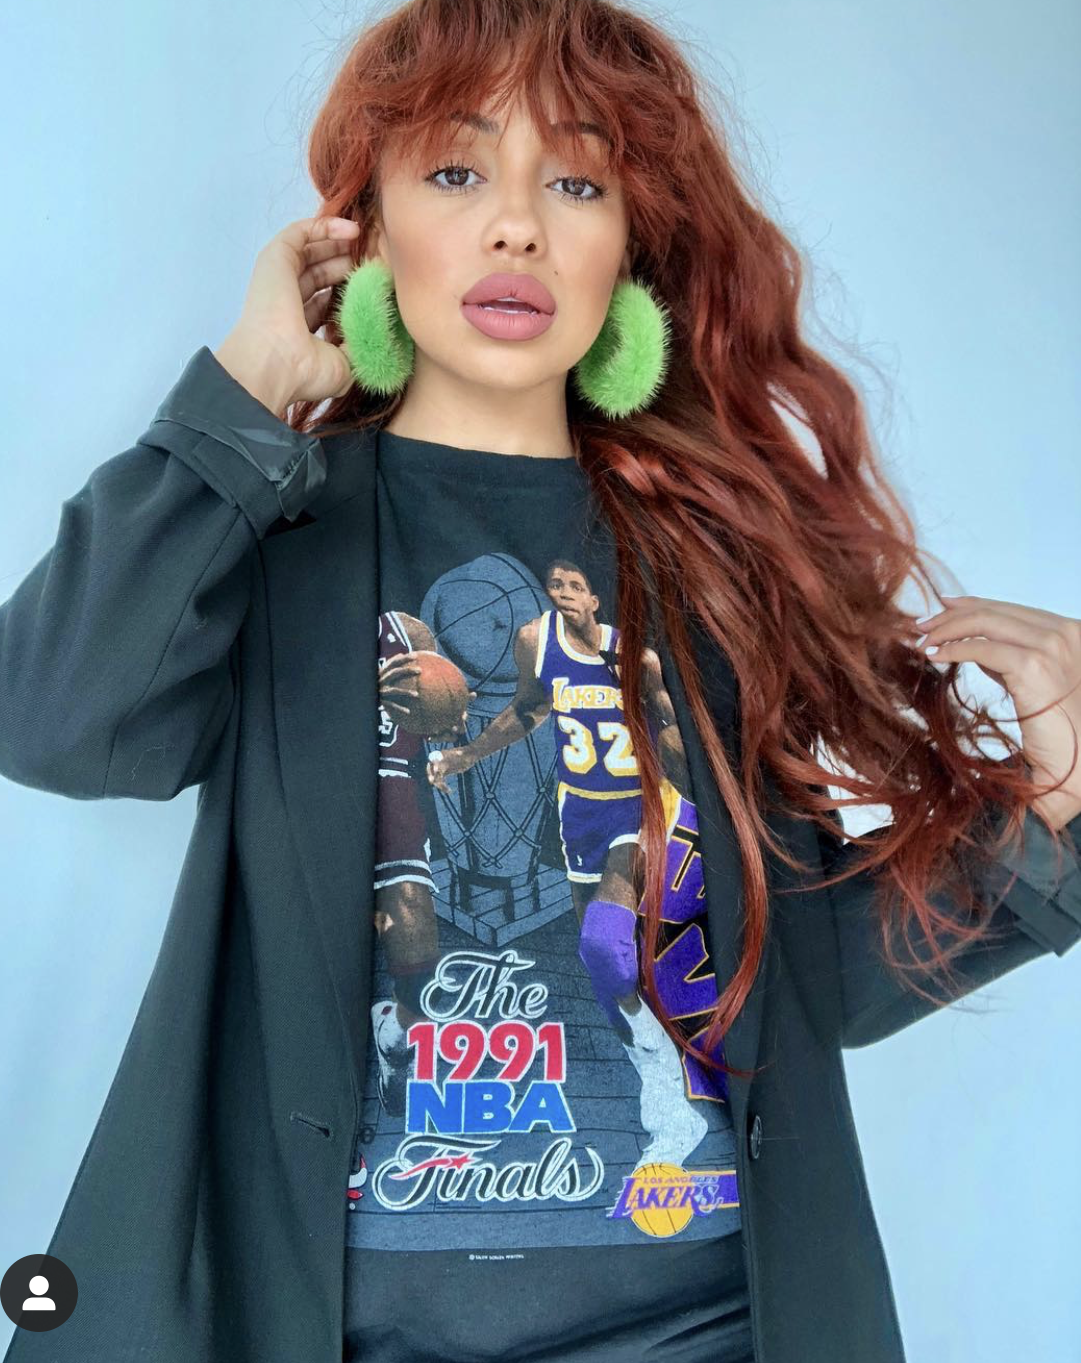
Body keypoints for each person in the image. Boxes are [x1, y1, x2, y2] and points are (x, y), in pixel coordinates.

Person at [1, 1, 1079, 1361]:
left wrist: (1052, 824)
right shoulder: (274, 524)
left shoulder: (708, 561)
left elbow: (794, 988)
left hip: (704, 1327)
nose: (516, 225)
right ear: (364, 231)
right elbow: (54, 719)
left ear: (628, 250)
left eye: (575, 183)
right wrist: (241, 398)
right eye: (456, 171)